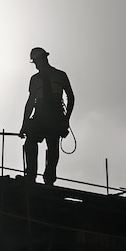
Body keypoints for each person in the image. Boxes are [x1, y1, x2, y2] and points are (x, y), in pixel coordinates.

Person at [19, 47, 74, 185]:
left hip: (55, 114)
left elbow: (71, 97)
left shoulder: (60, 75)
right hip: (40, 113)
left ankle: (49, 178)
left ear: (43, 59)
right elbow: (31, 101)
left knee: (53, 147)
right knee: (30, 142)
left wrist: (66, 119)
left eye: (36, 61)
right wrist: (24, 124)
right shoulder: (35, 79)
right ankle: (30, 175)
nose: (36, 65)